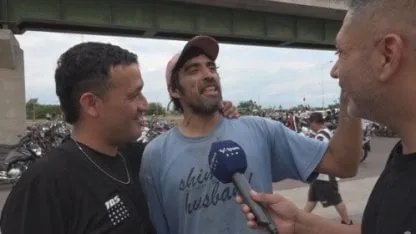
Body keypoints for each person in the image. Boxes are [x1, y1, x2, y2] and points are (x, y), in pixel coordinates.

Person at [0, 42, 239, 234]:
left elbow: (190, 147)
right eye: (134, 95)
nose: (144, 105)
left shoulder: (139, 157)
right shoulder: (44, 186)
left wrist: (214, 115)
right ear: (92, 104)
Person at [139, 35, 362, 234]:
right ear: (174, 90)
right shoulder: (155, 155)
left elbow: (343, 164)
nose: (208, 74)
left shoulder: (260, 130)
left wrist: (350, 94)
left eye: (211, 67)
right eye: (193, 70)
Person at [237, 0, 416, 233]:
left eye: (340, 52)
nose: (334, 71)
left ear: (387, 56)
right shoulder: (402, 157)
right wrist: (300, 224)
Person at [303, 112, 353, 225]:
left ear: (315, 122)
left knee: (336, 199)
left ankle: (347, 222)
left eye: (310, 123)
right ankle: (301, 219)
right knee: (312, 200)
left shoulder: (321, 135)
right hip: (320, 176)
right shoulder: (324, 133)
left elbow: (318, 151)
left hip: (325, 176)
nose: (310, 126)